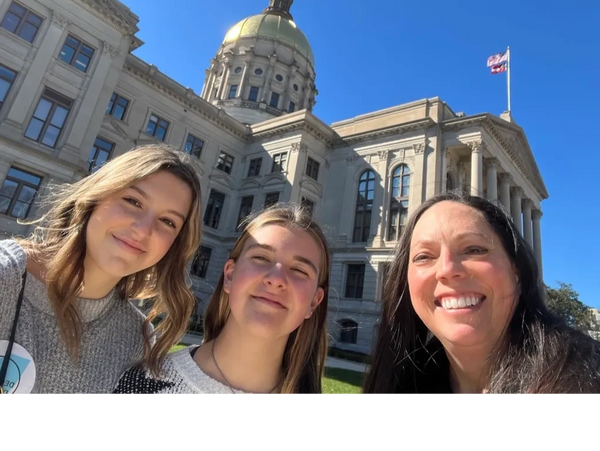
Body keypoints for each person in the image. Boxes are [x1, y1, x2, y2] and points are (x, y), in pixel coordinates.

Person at [0, 144, 202, 395]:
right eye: (133, 201)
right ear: (97, 195)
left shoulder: (136, 339)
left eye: (168, 221)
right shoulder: (5, 276)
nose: (143, 229)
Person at [363, 191, 600, 396]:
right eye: (424, 256)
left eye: (474, 249)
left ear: (516, 271)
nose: (446, 270)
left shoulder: (586, 377)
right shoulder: (400, 384)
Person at [112, 203, 330, 396]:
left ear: (314, 301)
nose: (276, 279)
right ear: (229, 276)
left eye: (300, 271)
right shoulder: (140, 385)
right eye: (261, 258)